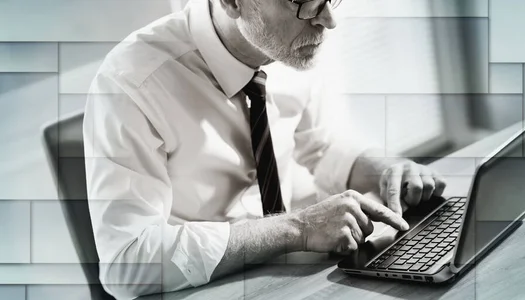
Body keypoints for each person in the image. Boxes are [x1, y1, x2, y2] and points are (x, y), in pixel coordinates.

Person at [83, 0, 446, 298]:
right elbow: (126, 262)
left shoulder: (294, 43)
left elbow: (321, 142)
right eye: (303, 2)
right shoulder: (131, 82)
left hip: (294, 282)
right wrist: (297, 229)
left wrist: (383, 169)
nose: (328, 20)